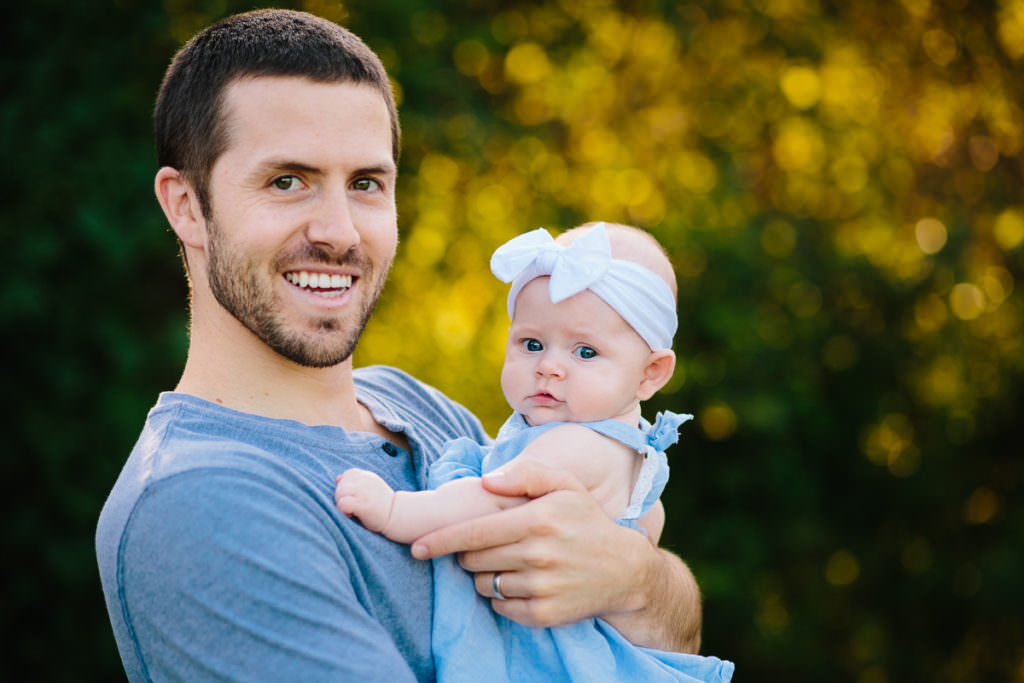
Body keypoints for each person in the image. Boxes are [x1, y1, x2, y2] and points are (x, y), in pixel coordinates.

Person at [95, 9, 703, 682]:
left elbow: (664, 641)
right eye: (287, 180)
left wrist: (639, 581)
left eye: (365, 184)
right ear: (185, 205)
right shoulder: (202, 499)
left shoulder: (424, 413)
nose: (338, 230)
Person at [336, 222, 734, 682]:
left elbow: (495, 499)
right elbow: (648, 531)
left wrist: (394, 510)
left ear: (650, 374)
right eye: (531, 344)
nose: (549, 366)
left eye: (585, 352)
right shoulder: (633, 453)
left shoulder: (579, 444)